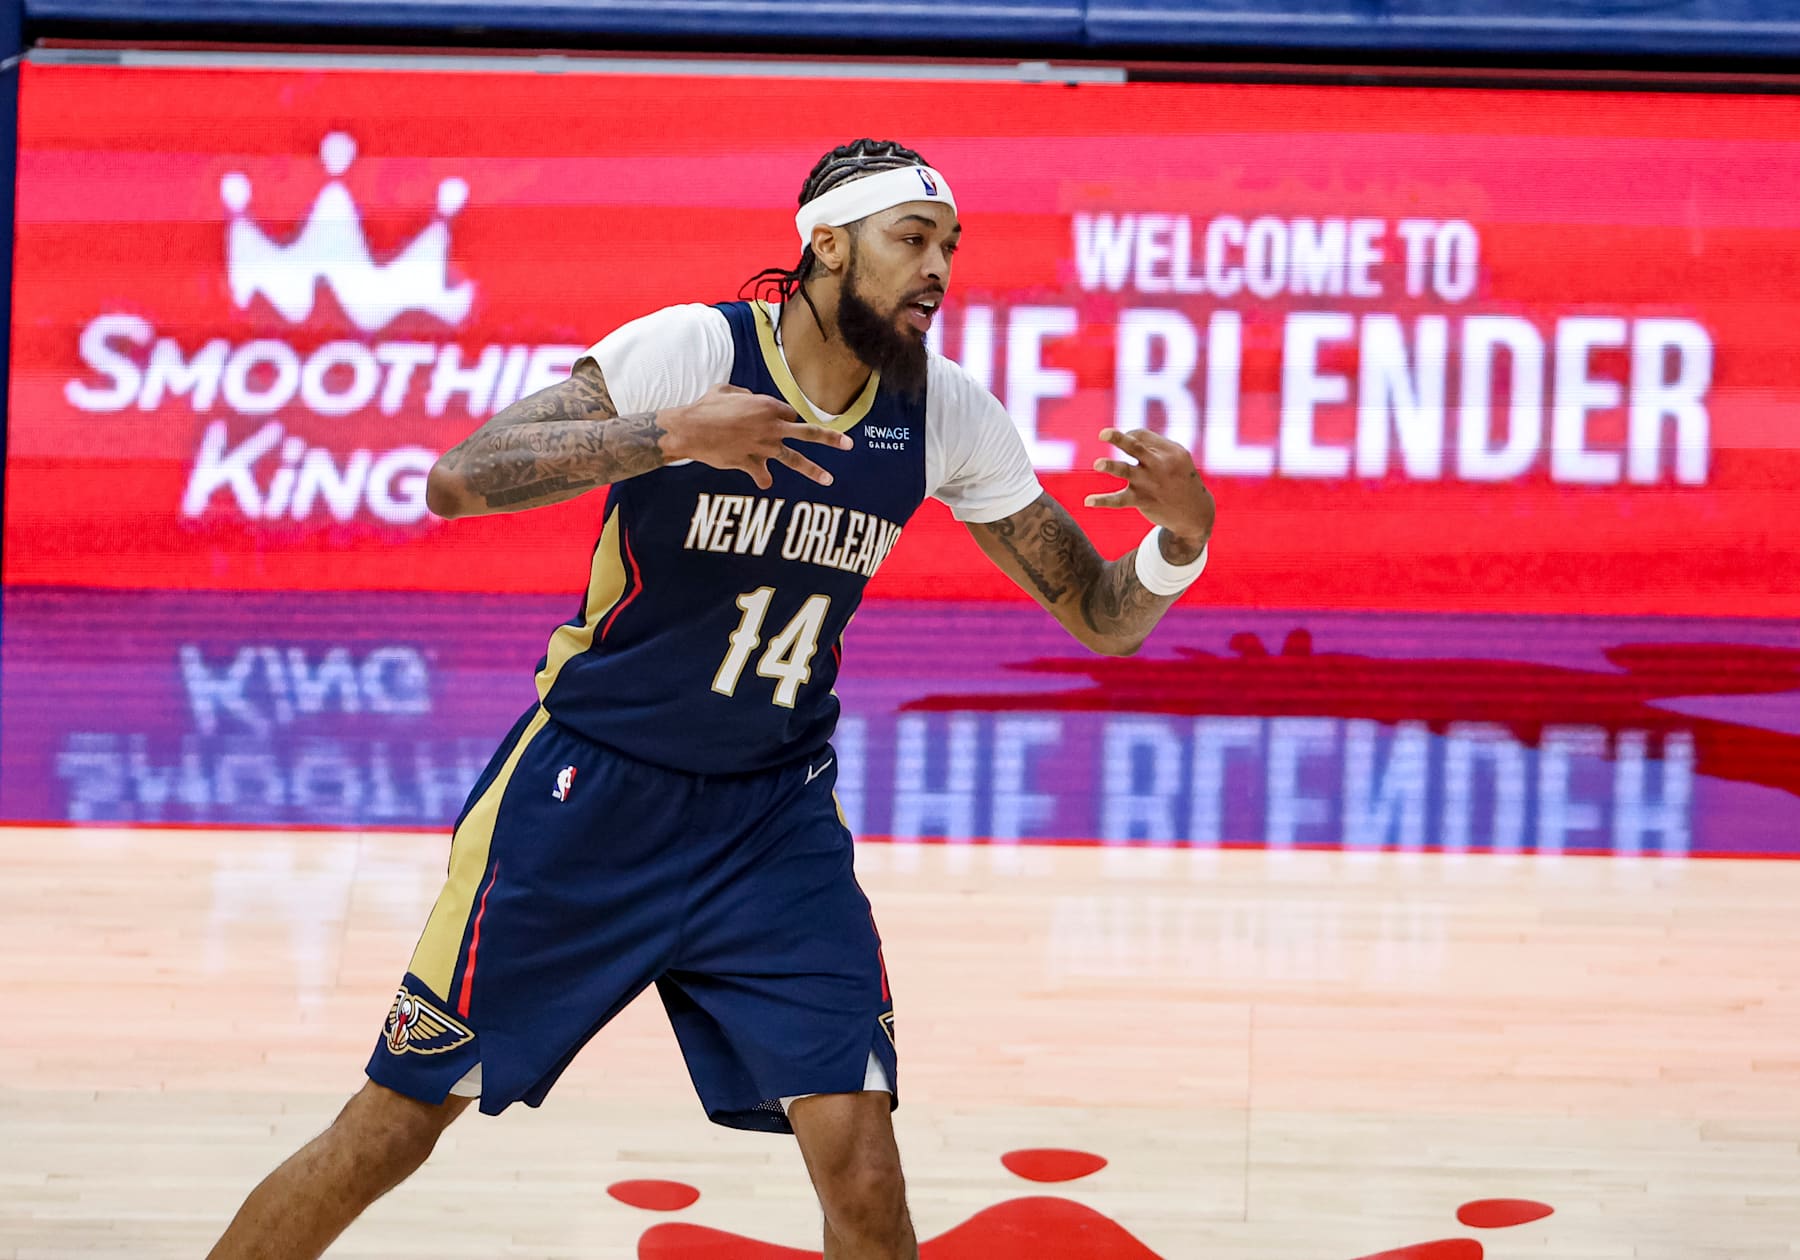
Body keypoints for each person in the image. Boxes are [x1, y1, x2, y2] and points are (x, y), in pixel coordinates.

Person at [207, 137, 1215, 1260]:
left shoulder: (943, 413)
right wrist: (670, 436)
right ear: (826, 245)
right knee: (392, 1128)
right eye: (912, 240)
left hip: (771, 823)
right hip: (587, 801)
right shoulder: (693, 347)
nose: (938, 269)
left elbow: (1098, 615)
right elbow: (460, 477)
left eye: (950, 247)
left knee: (866, 1178)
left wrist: (1179, 542)